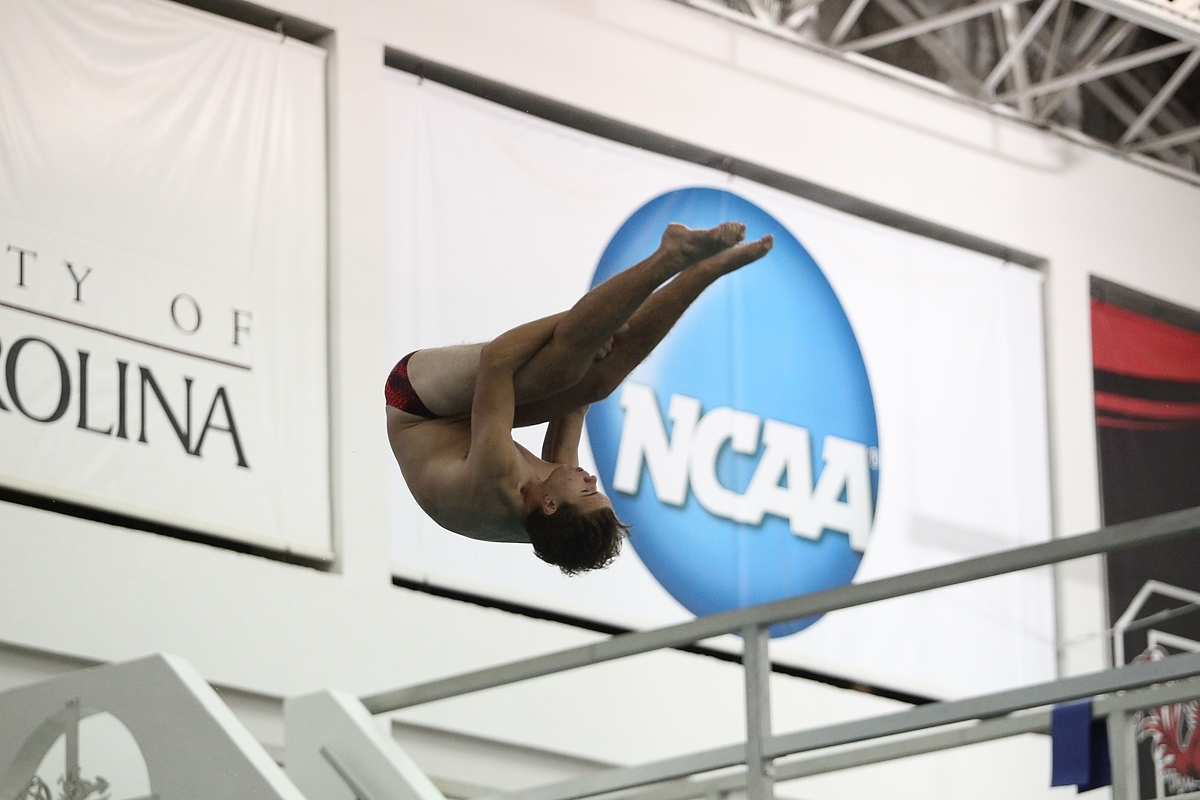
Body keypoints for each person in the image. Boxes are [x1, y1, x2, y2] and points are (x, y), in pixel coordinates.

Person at [386, 222, 773, 574]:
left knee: (563, 368)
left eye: (588, 489)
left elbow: (498, 360)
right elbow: (580, 400)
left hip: (416, 405)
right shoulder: (554, 509)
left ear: (550, 505)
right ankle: (704, 271)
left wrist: (581, 320)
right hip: (465, 422)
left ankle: (670, 254)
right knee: (594, 384)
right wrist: (597, 333)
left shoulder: (497, 481)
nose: (590, 476)